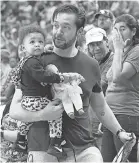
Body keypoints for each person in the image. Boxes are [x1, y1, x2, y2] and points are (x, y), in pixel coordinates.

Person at [10, 4, 134, 162]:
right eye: (55, 25)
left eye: (66, 27)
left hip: (84, 149)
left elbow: (100, 106)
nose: (58, 31)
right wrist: (42, 114)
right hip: (44, 150)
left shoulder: (91, 64)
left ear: (80, 32)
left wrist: (119, 131)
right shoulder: (35, 61)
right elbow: (14, 109)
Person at [11, 24, 85, 158]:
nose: (37, 45)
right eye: (32, 42)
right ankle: (55, 143)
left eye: (40, 42)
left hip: (27, 101)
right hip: (36, 99)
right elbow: (43, 76)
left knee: (27, 121)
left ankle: (21, 140)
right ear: (23, 47)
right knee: (55, 116)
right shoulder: (32, 62)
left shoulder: (26, 61)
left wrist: (45, 50)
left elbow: (36, 56)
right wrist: (61, 77)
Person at [101, 14, 139, 162]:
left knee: (125, 160)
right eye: (116, 29)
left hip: (126, 114)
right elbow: (110, 83)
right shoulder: (121, 51)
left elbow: (118, 77)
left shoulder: (136, 51)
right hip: (111, 115)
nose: (118, 34)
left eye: (123, 29)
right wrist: (105, 116)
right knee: (108, 160)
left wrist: (117, 49)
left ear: (133, 31)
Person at [85, 27, 114, 149]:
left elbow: (99, 86)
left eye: (99, 43)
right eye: (92, 45)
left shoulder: (114, 60)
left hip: (106, 124)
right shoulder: (92, 62)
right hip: (91, 124)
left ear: (106, 41)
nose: (96, 48)